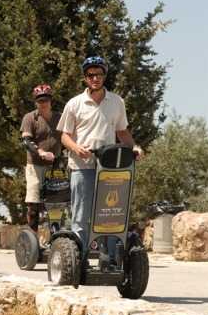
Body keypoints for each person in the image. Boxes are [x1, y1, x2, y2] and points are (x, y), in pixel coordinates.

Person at [56, 56, 142, 264]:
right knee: (81, 215)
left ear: (104, 76)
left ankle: (109, 258)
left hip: (110, 167)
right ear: (85, 78)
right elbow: (64, 136)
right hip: (81, 166)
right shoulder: (75, 103)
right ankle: (79, 259)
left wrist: (135, 147)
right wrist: (76, 148)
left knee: (110, 214)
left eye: (99, 74)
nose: (95, 78)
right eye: (91, 75)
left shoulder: (116, 102)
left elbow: (122, 131)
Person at [20, 84, 62, 232]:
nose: (43, 103)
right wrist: (41, 152)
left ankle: (56, 235)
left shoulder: (59, 118)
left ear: (51, 101)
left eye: (45, 100)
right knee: (34, 202)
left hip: (55, 165)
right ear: (35, 102)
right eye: (39, 100)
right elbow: (26, 141)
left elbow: (68, 136)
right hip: (35, 165)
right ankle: (32, 238)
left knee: (58, 201)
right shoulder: (30, 118)